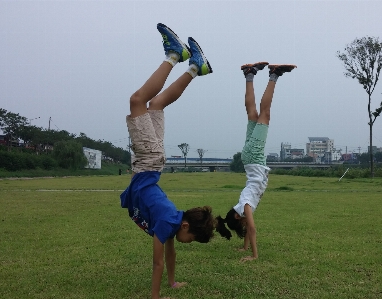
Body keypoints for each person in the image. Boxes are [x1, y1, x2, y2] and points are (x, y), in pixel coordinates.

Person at [120, 23, 215, 299]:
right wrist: (155, 295)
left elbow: (168, 258)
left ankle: (197, 67)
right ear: (186, 227)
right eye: (192, 240)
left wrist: (172, 284)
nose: (187, 243)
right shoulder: (167, 222)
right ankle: (174, 55)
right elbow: (158, 262)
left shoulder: (172, 222)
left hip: (151, 163)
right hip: (148, 161)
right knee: (138, 100)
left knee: (155, 105)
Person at [215, 62, 296, 262]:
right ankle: (249, 74)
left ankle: (274, 75)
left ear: (237, 216)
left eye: (241, 223)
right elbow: (246, 228)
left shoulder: (246, 206)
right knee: (252, 115)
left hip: (255, 158)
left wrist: (254, 256)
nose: (245, 224)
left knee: (264, 114)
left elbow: (251, 228)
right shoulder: (241, 205)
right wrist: (244, 247)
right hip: (249, 159)